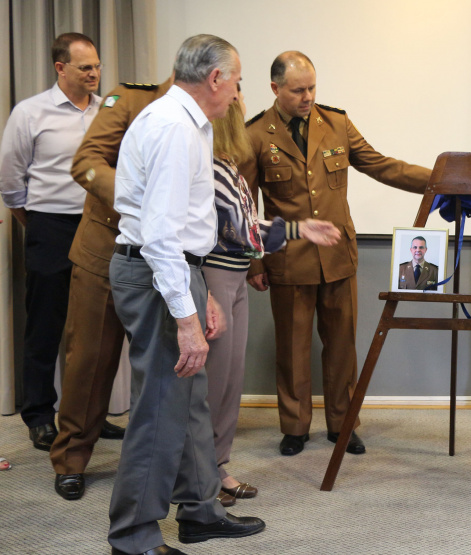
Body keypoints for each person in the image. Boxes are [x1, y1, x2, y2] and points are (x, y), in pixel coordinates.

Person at [107, 34, 264, 554]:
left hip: (179, 270)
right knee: (160, 408)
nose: (239, 94)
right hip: (156, 272)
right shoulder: (174, 127)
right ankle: (133, 538)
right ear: (215, 78)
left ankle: (199, 510)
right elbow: (159, 234)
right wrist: (185, 315)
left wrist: (203, 295)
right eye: (237, 81)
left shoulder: (190, 124)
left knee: (191, 399)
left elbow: (185, 230)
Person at [240, 51, 432, 457]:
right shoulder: (256, 134)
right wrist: (254, 261)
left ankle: (343, 425)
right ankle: (294, 428)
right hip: (288, 259)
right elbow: (244, 205)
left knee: (342, 347)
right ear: (275, 89)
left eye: (312, 87)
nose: (307, 96)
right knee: (292, 351)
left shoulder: (337, 123)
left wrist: (439, 178)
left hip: (338, 257)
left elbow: (381, 165)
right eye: (297, 90)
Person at [204, 88, 340, 507]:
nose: (240, 100)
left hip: (233, 273)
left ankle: (217, 469)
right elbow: (238, 230)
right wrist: (296, 231)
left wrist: (299, 229)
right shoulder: (199, 161)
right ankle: (197, 484)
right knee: (209, 386)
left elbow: (246, 224)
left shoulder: (226, 162)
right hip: (211, 279)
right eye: (234, 90)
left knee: (229, 383)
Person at [50, 74, 175, 502]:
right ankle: (71, 460)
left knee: (169, 369)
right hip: (107, 250)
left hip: (168, 261)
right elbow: (87, 161)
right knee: (90, 360)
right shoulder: (130, 100)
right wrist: (138, 200)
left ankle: (164, 466)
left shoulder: (205, 118)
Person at [0, 32, 101, 452]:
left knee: (94, 327)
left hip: (98, 226)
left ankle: (87, 415)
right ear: (60, 68)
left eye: (97, 65)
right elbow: (10, 177)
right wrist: (34, 220)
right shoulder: (30, 112)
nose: (95, 73)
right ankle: (40, 415)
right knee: (45, 325)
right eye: (85, 67)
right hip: (48, 225)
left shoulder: (107, 112)